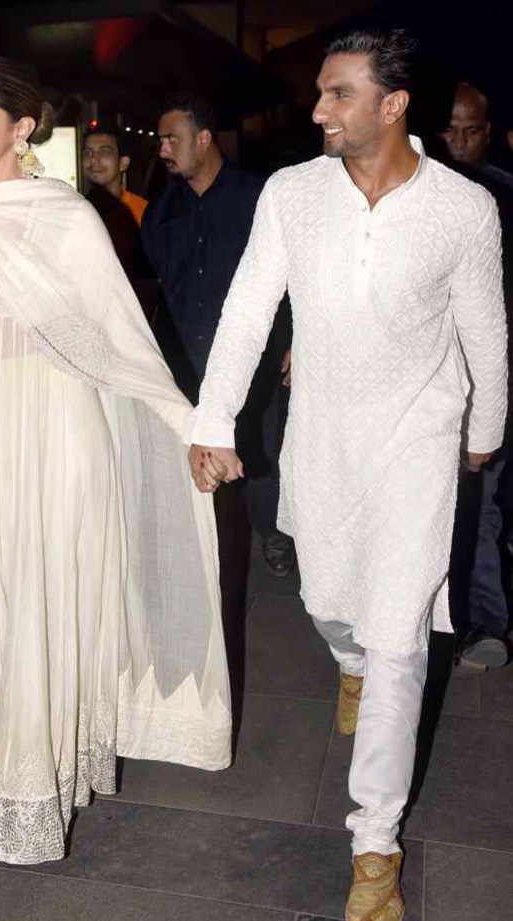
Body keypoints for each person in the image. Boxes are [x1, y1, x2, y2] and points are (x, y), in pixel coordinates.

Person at [188, 27, 507, 921]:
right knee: (335, 606)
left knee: (402, 636)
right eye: (320, 93)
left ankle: (375, 844)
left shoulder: (462, 208)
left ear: (392, 104)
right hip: (322, 437)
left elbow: (485, 330)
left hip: (419, 439)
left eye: (337, 94)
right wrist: (212, 418)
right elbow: (249, 307)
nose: (318, 109)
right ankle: (349, 663)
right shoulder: (294, 194)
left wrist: (485, 428)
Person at [0, 55, 231, 866]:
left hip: (56, 436)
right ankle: (12, 751)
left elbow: (121, 341)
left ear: (22, 128)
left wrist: (191, 426)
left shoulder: (64, 217)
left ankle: (32, 784)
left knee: (36, 610)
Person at [141, 91, 294, 581]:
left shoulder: (258, 196)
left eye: (172, 138)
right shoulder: (160, 211)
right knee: (195, 452)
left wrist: (292, 340)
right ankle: (198, 547)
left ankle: (272, 534)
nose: (163, 149)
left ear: (204, 138)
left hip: (254, 357)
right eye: (161, 139)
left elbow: (293, 278)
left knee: (259, 447)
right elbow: (156, 288)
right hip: (184, 357)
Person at [440, 82, 513, 669]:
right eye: (451, 129)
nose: (460, 142)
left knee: (482, 502)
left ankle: (485, 620)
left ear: (487, 133)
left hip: (486, 377)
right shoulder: (420, 193)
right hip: (426, 377)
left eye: (472, 131)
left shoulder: (503, 198)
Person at [82, 126, 149, 283]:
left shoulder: (142, 211)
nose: (94, 160)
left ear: (123, 163)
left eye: (105, 152)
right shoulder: (77, 210)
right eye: (88, 153)